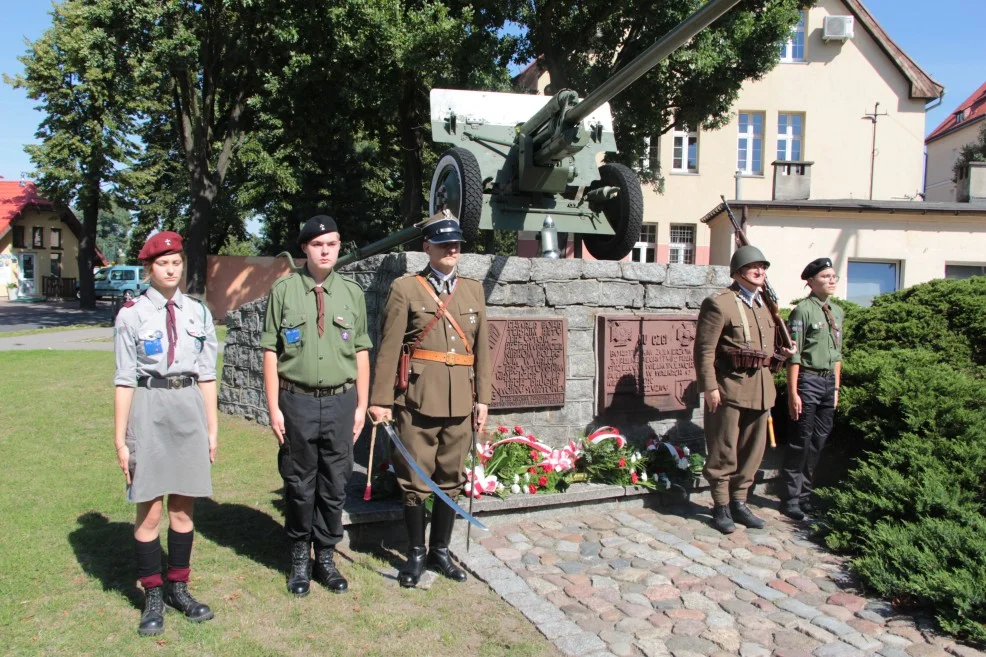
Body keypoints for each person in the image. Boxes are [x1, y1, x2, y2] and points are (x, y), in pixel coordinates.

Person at [368, 216, 491, 588]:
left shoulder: (473, 290)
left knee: (451, 479)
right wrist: (381, 400)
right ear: (428, 248)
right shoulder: (407, 288)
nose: (451, 250)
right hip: (417, 400)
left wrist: (483, 398)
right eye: (443, 244)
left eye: (456, 244)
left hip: (460, 402)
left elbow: (483, 348)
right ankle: (416, 554)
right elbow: (388, 348)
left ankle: (441, 551)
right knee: (415, 480)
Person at [113, 231, 219, 636]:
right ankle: (152, 593)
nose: (171, 269)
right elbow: (124, 379)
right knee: (150, 508)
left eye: (177, 263)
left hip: (189, 406)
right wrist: (121, 439)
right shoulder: (132, 314)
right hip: (149, 407)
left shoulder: (198, 312)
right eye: (162, 264)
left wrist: (211, 429)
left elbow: (207, 374)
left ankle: (179, 586)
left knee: (183, 508)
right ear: (148, 268)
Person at [261, 215, 371, 597]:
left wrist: (362, 406)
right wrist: (273, 407)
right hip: (297, 402)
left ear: (339, 247)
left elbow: (361, 351)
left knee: (335, 483)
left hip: (341, 402)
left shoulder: (352, 293)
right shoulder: (284, 291)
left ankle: (325, 556)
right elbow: (270, 352)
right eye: (318, 244)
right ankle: (298, 559)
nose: (325, 251)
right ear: (304, 248)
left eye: (332, 244)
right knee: (298, 483)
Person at [693, 245, 795, 534]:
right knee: (723, 449)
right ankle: (721, 505)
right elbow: (704, 351)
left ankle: (740, 501)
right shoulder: (719, 303)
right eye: (753, 266)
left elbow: (767, 352)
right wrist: (710, 388)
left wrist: (783, 356)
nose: (760, 271)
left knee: (752, 452)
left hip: (761, 390)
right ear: (737, 271)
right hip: (729, 389)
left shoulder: (765, 306)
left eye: (763, 266)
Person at [781, 257, 843, 520]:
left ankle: (806, 495)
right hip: (807, 380)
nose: (831, 281)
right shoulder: (802, 311)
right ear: (810, 281)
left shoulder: (837, 312)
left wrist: (837, 388)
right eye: (825, 277)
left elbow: (838, 354)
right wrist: (793, 392)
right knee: (801, 442)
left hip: (828, 382)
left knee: (818, 441)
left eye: (833, 276)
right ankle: (791, 498)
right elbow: (794, 356)